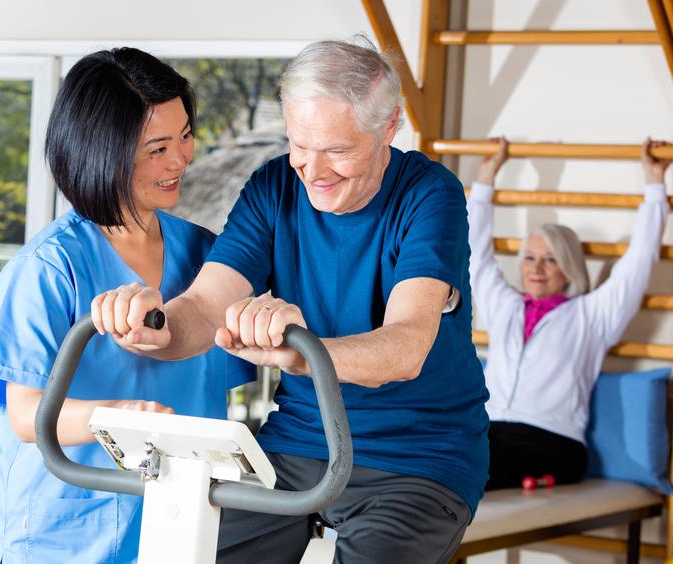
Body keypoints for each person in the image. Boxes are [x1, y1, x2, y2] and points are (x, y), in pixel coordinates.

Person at [93, 38, 490, 563]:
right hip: (299, 441)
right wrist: (157, 326)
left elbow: (404, 349)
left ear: (389, 127)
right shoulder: (274, 185)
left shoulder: (429, 195)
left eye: (338, 151)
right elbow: (206, 305)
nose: (313, 171)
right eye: (300, 145)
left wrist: (301, 355)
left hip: (417, 454)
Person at [0, 48, 252, 563]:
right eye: (157, 148)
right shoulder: (48, 268)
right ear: (105, 151)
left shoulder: (209, 257)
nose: (180, 160)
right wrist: (118, 419)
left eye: (185, 136)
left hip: (178, 524)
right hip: (69, 533)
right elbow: (28, 416)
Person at [469, 137, 671, 490]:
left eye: (551, 260)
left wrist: (655, 184)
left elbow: (639, 261)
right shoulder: (506, 304)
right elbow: (474, 252)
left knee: (466, 460)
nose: (537, 269)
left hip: (554, 440)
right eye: (530, 258)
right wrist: (487, 175)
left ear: (569, 267)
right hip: (492, 430)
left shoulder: (592, 315)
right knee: (436, 447)